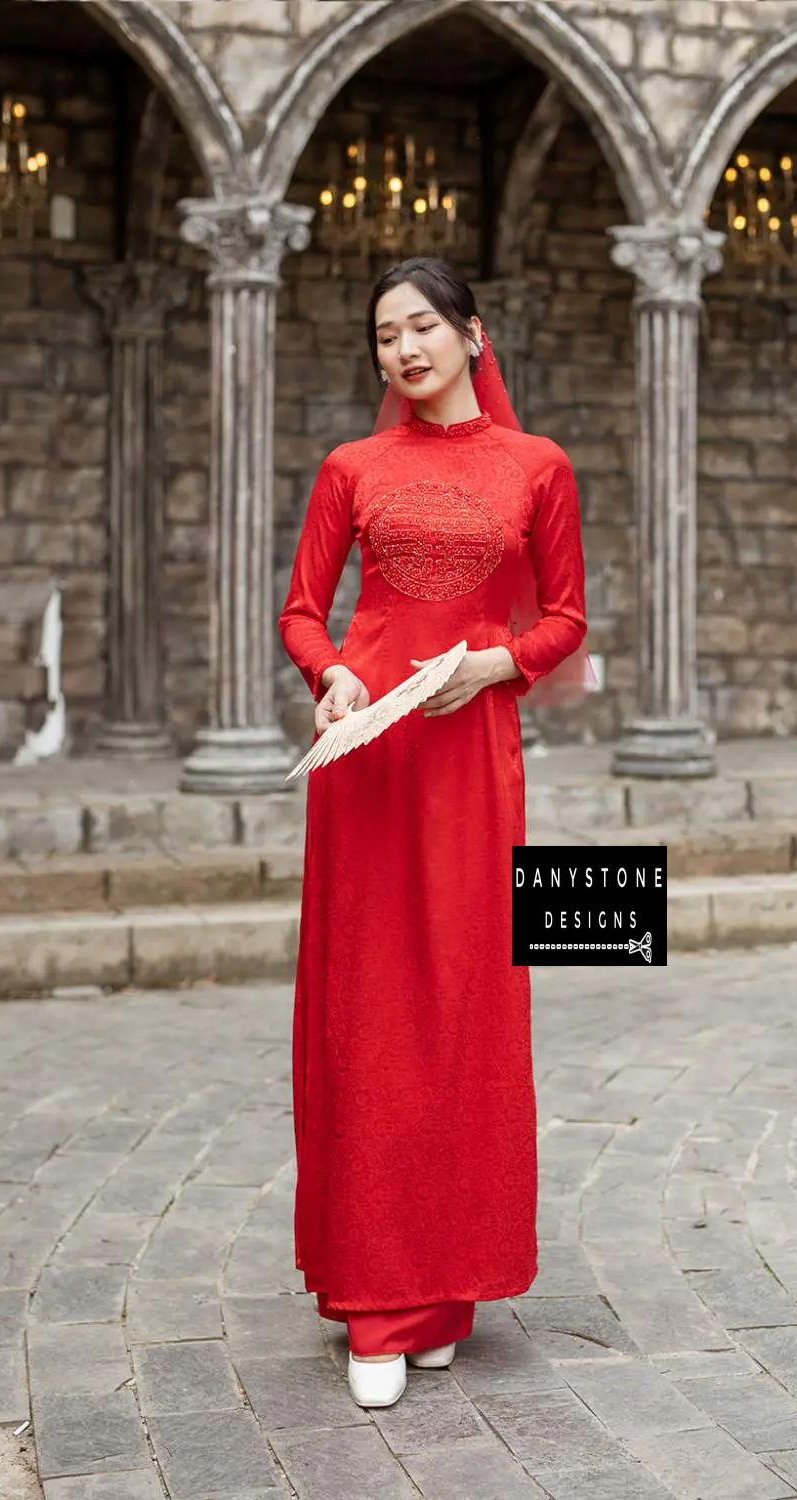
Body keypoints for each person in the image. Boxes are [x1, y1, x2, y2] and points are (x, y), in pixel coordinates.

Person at [278, 256, 589, 1409]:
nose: (402, 350)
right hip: (367, 761)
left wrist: (497, 665)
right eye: (382, 337)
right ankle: (377, 1298)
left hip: (470, 757)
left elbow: (565, 618)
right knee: (371, 1012)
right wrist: (330, 681)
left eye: (420, 327)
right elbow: (303, 611)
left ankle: (447, 1285)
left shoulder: (537, 467)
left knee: (464, 1002)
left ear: (472, 332)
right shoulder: (351, 467)